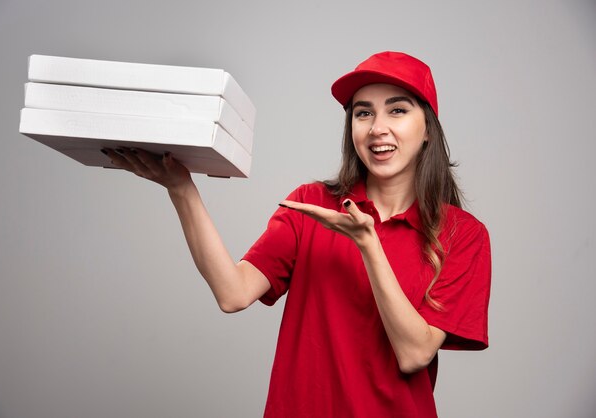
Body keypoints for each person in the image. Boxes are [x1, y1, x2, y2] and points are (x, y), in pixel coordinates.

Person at [104, 51, 491, 418]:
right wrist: (181, 189)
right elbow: (233, 292)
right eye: (363, 113)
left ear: (427, 130)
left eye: (398, 110)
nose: (377, 128)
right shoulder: (312, 205)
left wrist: (368, 244)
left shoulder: (461, 235)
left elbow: (414, 353)